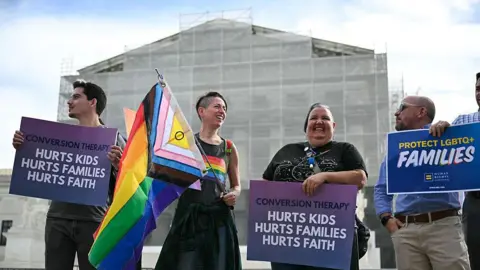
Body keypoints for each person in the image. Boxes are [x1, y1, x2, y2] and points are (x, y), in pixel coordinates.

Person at [11, 80, 142, 270]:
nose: (69, 101)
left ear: (92, 102)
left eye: (76, 96)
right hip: (58, 219)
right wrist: (24, 147)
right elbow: (41, 164)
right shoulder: (58, 137)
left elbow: (129, 187)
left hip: (94, 222)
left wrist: (117, 165)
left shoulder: (114, 141)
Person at [262, 103, 367, 270]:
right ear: (306, 126)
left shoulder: (345, 149)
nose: (319, 121)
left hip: (332, 235)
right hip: (288, 236)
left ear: (333, 126)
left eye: (325, 118)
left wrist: (324, 176)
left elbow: (360, 179)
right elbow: (266, 184)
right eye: (314, 118)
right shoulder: (286, 150)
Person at [374, 95, 470, 270]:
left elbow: (466, 163)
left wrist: (450, 133)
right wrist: (386, 218)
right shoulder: (396, 150)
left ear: (421, 112)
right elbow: (381, 188)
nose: (396, 113)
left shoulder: (447, 139)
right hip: (406, 231)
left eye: (402, 107)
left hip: (444, 227)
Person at [155, 91, 242, 270]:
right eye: (217, 106)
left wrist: (234, 194)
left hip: (219, 221)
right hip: (188, 220)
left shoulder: (229, 148)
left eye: (224, 108)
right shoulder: (186, 145)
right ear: (201, 111)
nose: (222, 111)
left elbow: (236, 185)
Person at [429, 72, 480, 270]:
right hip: (476, 203)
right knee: (475, 257)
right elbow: (441, 149)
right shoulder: (464, 122)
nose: (479, 93)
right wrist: (442, 128)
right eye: (477, 89)